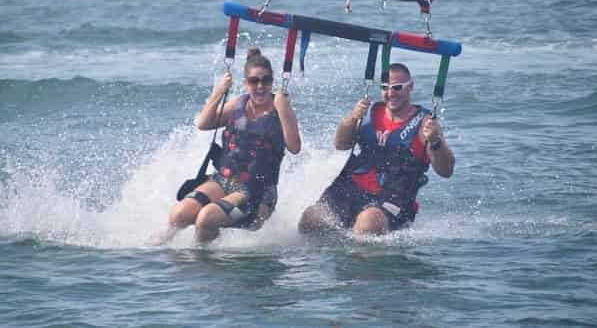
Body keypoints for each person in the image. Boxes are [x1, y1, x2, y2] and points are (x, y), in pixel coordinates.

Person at [299, 62, 454, 236]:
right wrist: (351, 118)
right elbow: (341, 144)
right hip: (352, 189)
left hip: (393, 199)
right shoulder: (367, 112)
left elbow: (446, 170)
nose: (390, 93)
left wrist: (435, 142)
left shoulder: (425, 124)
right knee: (310, 219)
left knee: (368, 222)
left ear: (410, 87)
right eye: (385, 87)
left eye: (397, 87)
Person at [164, 48, 301, 243]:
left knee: (206, 218)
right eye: (254, 81)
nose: (260, 86)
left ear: (272, 82)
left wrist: (285, 109)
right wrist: (219, 92)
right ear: (246, 83)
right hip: (222, 182)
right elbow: (203, 123)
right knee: (179, 214)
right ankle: (153, 252)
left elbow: (295, 147)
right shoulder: (237, 104)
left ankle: (204, 266)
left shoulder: (280, 110)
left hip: (258, 194)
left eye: (266, 80)